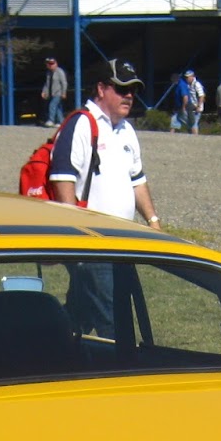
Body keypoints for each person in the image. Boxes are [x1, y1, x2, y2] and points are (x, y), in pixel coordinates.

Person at [48, 59, 162, 335]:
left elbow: (138, 180)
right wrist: (75, 235)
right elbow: (63, 178)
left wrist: (153, 220)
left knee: (80, 314)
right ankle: (121, 369)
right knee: (113, 319)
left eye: (133, 90)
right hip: (93, 244)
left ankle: (52, 350)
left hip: (122, 244)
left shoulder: (126, 130)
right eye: (122, 89)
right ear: (101, 88)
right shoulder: (81, 124)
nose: (129, 96)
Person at [40, 56, 67, 127]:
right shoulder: (49, 73)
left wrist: (64, 92)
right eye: (49, 64)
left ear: (56, 63)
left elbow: (64, 83)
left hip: (58, 93)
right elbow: (47, 83)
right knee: (58, 108)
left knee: (52, 105)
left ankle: (51, 120)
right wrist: (44, 91)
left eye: (52, 63)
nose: (50, 65)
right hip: (52, 93)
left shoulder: (60, 72)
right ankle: (61, 122)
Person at [183, 69, 205, 134]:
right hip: (191, 107)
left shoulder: (197, 84)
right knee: (190, 124)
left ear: (192, 76)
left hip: (196, 107)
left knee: (194, 123)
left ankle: (195, 138)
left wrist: (199, 106)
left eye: (188, 77)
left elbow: (201, 96)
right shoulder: (187, 85)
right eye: (186, 77)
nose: (187, 79)